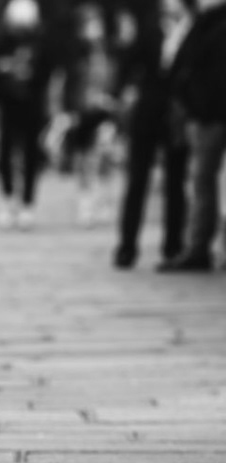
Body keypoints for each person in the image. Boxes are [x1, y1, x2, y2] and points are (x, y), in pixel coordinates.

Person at [116, 0, 194, 266]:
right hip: (148, 110)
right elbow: (127, 63)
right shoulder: (148, 27)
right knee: (138, 178)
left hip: (177, 112)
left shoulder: (193, 29)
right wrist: (124, 91)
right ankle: (127, 245)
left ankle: (173, 246)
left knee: (176, 181)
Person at [160, 0, 226, 270]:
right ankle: (199, 246)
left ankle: (199, 247)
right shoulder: (203, 23)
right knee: (202, 180)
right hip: (206, 113)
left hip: (210, 115)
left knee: (202, 180)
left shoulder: (209, 24)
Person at [0, 0, 58, 228]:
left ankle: (28, 203)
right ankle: (9, 200)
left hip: (31, 107)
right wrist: (3, 73)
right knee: (6, 154)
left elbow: (47, 72)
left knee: (30, 155)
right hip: (8, 106)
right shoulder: (1, 42)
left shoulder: (40, 43)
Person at [63, 6, 123, 223]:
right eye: (89, 23)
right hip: (84, 112)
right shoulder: (76, 55)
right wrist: (70, 111)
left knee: (106, 154)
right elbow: (69, 85)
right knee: (85, 158)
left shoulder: (111, 53)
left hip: (106, 112)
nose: (93, 28)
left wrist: (112, 100)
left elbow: (119, 81)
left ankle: (105, 199)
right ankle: (86, 202)